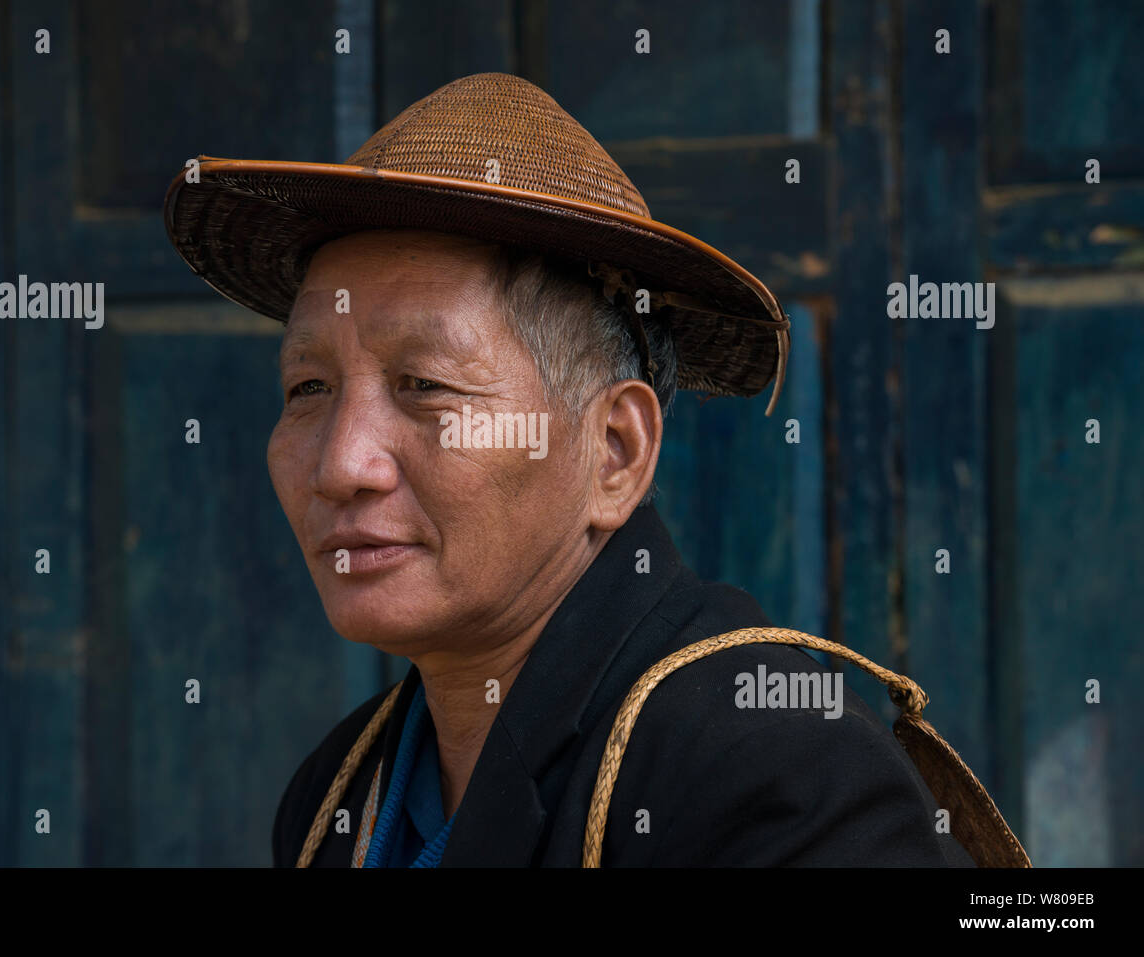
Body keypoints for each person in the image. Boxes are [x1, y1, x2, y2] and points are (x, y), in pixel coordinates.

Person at [164, 72, 975, 867]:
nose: (342, 465)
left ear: (613, 450)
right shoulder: (335, 800)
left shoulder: (775, 767)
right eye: (308, 387)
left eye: (425, 385)